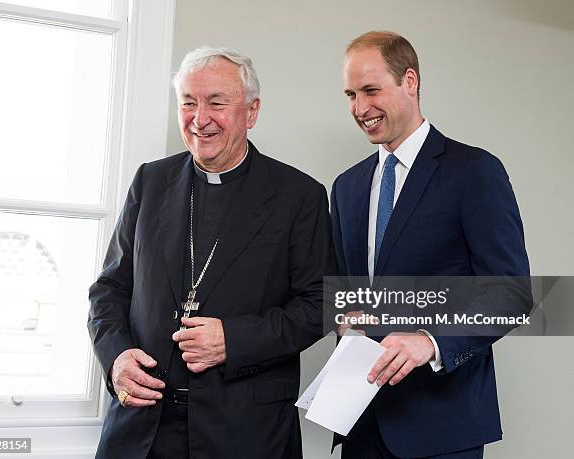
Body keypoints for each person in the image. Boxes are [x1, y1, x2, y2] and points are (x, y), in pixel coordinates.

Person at [88, 46, 334, 459]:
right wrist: (115, 360)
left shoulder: (299, 196)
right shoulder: (150, 181)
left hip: (244, 433)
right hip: (142, 430)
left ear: (251, 113)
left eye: (217, 103)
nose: (200, 119)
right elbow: (109, 290)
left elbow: (321, 305)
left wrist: (233, 340)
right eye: (188, 103)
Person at [330, 31, 530, 458]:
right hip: (362, 423)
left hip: (442, 429)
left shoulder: (474, 171)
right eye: (350, 94)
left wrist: (431, 339)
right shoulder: (346, 188)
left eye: (370, 90)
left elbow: (511, 292)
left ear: (410, 81)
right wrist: (344, 317)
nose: (360, 108)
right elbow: (350, 293)